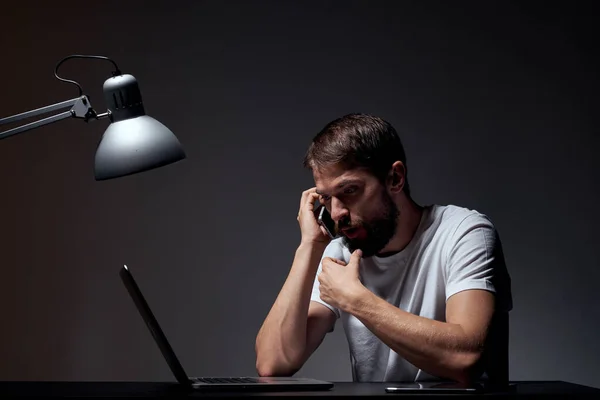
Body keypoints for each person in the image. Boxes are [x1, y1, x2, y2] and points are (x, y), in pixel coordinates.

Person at [254, 113, 512, 385]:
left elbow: (467, 358)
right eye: (327, 198)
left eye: (349, 190)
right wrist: (309, 245)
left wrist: (356, 300)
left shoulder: (463, 232)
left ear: (395, 178)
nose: (337, 212)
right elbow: (274, 362)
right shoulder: (341, 255)